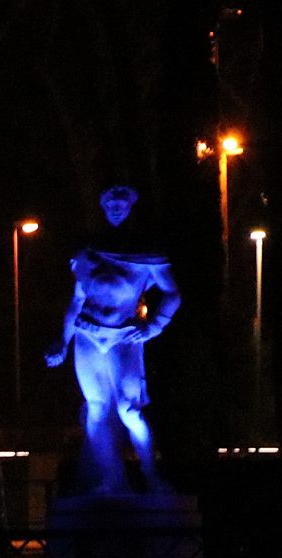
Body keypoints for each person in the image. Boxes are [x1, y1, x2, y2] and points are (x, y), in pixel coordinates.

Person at [46, 187, 180, 495]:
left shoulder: (146, 250)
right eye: (110, 203)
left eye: (121, 203)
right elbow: (77, 301)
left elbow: (173, 294)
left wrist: (155, 326)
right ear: (103, 207)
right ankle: (110, 479)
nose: (115, 208)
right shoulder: (89, 249)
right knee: (96, 409)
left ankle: (150, 475)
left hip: (123, 337)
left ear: (130, 206)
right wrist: (62, 342)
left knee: (129, 410)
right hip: (87, 335)